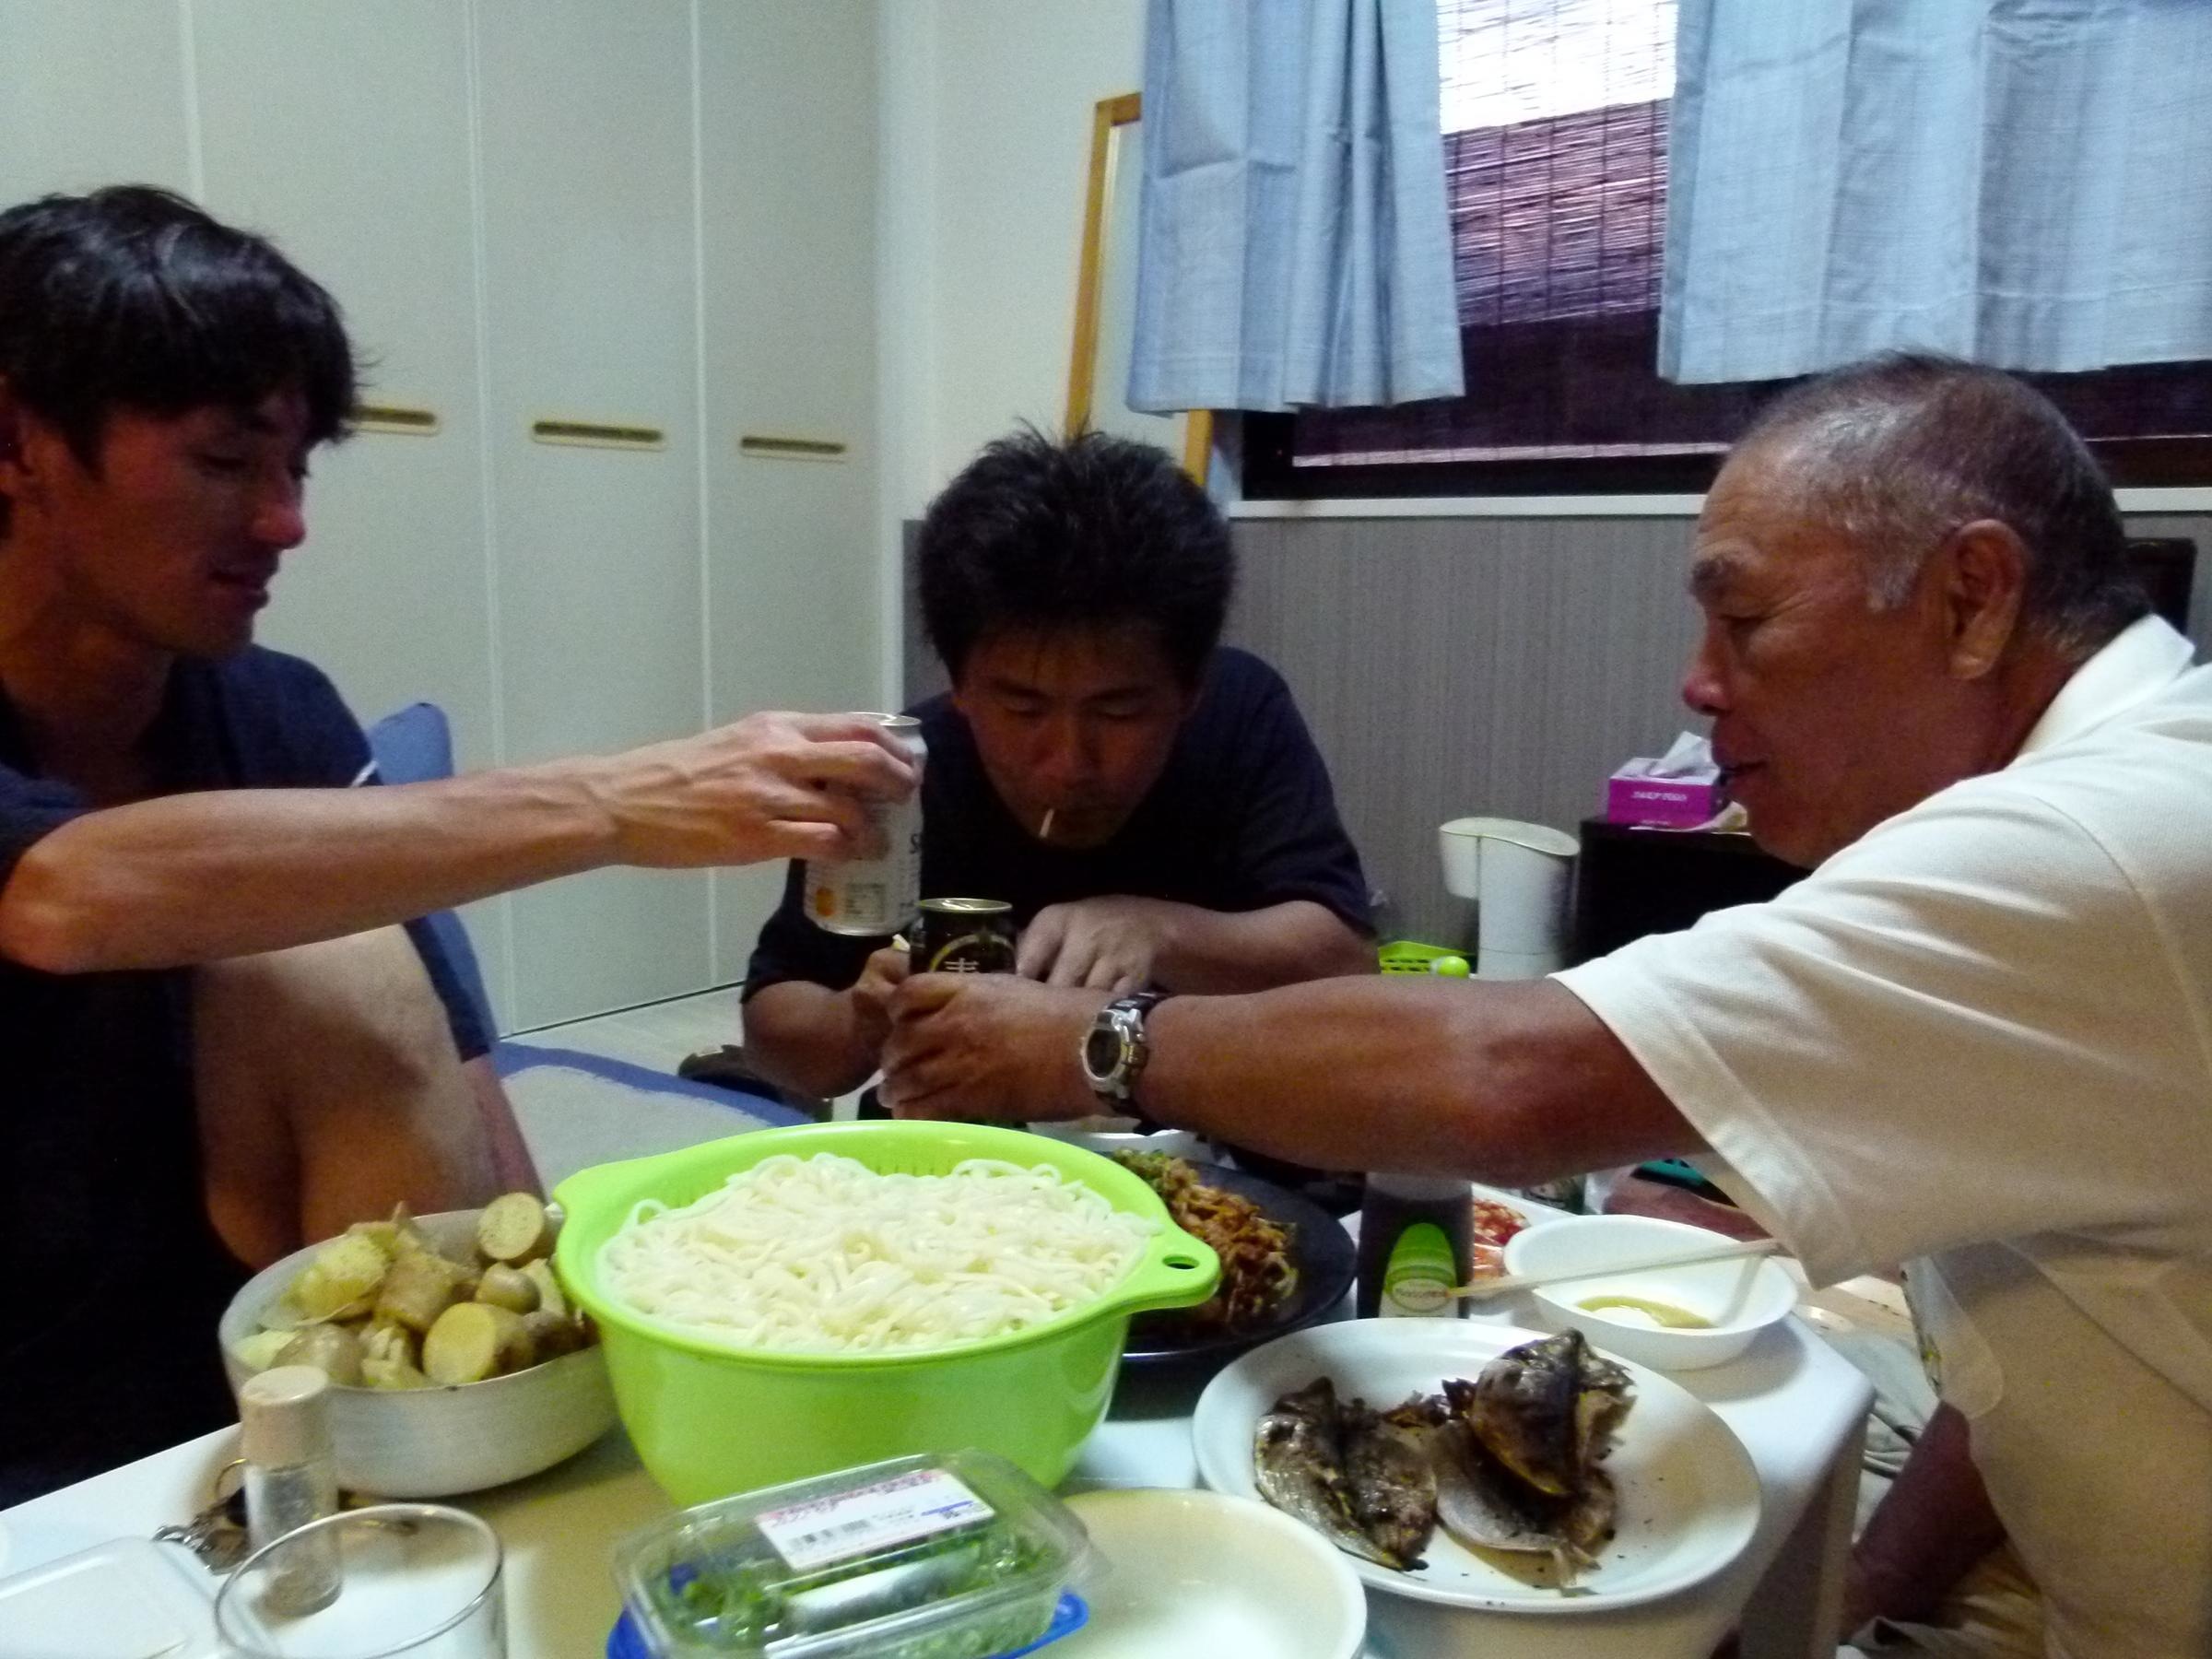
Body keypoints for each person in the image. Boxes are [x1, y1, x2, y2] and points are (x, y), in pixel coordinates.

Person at [881, 356, 2212, 1659]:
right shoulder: (2128, 790)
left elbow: (1516, 1075)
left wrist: (1095, 1045)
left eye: (1743, 621)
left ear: (1972, 599)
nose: (1697, 681)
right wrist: (1860, 1590)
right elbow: (2041, 1303)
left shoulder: (2099, 845)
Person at [0, 185, 913, 1501]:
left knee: (356, 958)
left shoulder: (278, 711)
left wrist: (558, 1357)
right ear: (20, 442)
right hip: (31, 1422)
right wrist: (614, 805)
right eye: (226, 462)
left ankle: (456, 1468)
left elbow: (453, 1062)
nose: (284, 522)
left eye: (297, 468)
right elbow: (64, 895)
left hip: (260, 1371)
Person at [738, 428, 1374, 1104]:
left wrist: (1164, 932)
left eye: (1118, 711)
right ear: (960, 685)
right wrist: (856, 1020)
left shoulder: (1241, 710)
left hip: (1194, 1130)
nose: (1069, 763)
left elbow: (1345, 961)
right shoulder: (897, 778)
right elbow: (775, 1030)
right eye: (1023, 708)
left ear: (1190, 691)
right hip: (955, 1144)